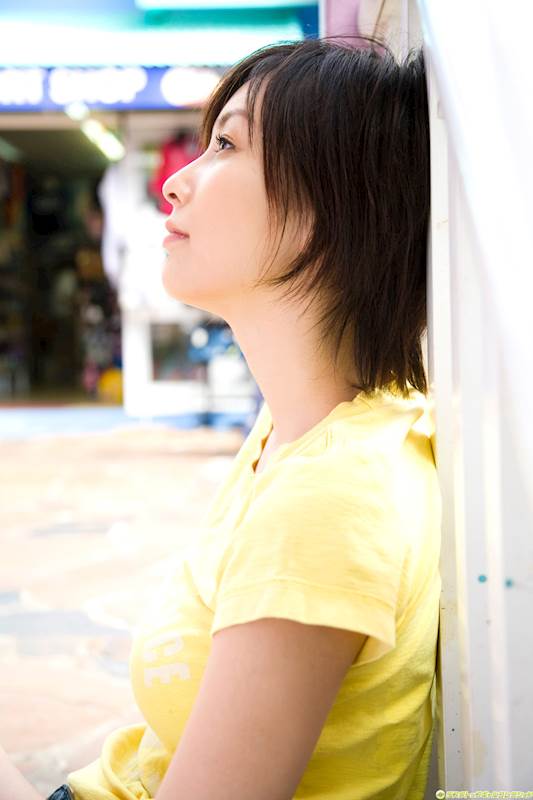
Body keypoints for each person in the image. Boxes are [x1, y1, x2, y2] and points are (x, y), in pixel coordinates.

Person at [1, 35, 440, 800]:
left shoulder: (328, 497)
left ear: (331, 205)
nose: (175, 184)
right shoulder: (313, 427)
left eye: (227, 145)